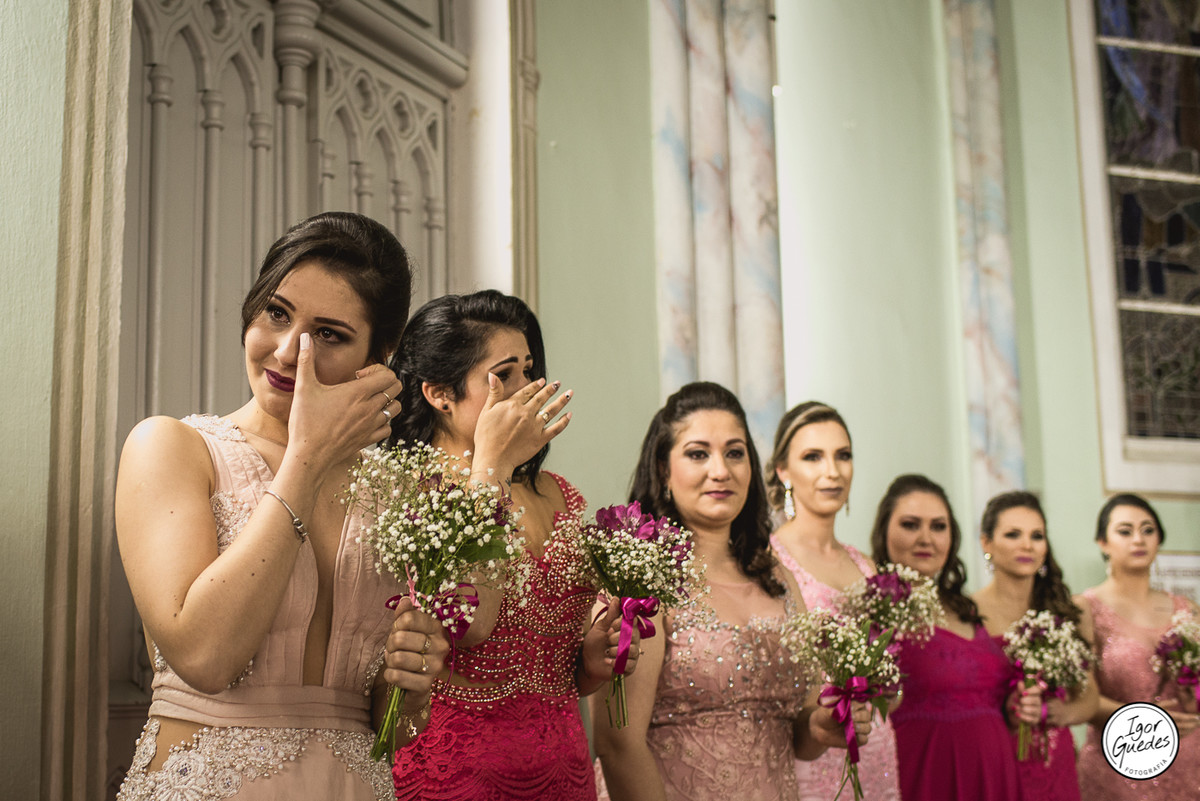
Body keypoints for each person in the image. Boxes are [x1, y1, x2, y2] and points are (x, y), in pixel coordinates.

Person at [114, 212, 452, 800]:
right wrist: (307, 458)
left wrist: (411, 685)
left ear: (381, 355)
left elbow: (387, 729)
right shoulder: (172, 447)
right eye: (276, 313)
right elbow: (203, 656)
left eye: (329, 334)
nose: (289, 350)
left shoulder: (400, 493)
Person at [387, 290, 634, 801]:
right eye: (505, 374)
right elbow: (471, 625)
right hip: (456, 775)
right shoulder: (410, 494)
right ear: (440, 394)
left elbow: (554, 668)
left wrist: (590, 661)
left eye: (530, 369)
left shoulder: (559, 495)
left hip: (565, 768)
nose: (530, 388)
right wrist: (492, 468)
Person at [592, 382, 871, 801]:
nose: (721, 470)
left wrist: (820, 726)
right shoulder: (640, 579)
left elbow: (799, 731)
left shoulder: (777, 578)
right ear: (664, 469)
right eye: (698, 454)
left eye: (735, 453)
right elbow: (618, 746)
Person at [869, 474, 1037, 801]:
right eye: (910, 525)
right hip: (926, 774)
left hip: (994, 777)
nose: (926, 539)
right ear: (884, 531)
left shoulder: (965, 607)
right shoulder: (875, 611)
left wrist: (1014, 708)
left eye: (938, 526)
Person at [765, 401, 900, 801]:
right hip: (809, 748)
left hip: (874, 744)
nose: (833, 471)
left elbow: (889, 676)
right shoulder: (768, 561)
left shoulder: (866, 566)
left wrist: (885, 687)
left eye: (843, 455)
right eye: (813, 457)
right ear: (783, 471)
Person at [972, 491, 1097, 801]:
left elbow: (1089, 697)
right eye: (1013, 534)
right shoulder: (967, 613)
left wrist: (1059, 712)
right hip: (993, 757)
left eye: (1037, 536)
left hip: (1055, 761)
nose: (1027, 545)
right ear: (986, 543)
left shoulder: (1065, 612)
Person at [1075, 493, 1200, 799]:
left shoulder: (1188, 610)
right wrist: (1147, 719)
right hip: (1119, 766)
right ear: (1102, 542)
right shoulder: (1085, 609)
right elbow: (1081, 699)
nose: (1138, 539)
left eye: (1147, 530)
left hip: (1188, 761)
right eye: (1125, 531)